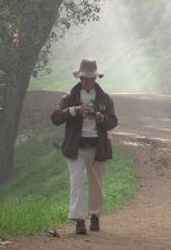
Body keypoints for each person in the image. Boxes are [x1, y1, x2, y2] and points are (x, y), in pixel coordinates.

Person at [51, 58, 118, 235]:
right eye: (85, 78)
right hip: (75, 147)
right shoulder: (69, 97)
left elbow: (113, 122)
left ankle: (95, 215)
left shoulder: (105, 98)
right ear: (80, 78)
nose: (88, 81)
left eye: (91, 78)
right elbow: (56, 117)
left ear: (96, 78)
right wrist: (74, 110)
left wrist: (101, 118)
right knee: (77, 183)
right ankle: (79, 221)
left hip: (98, 146)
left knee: (97, 184)